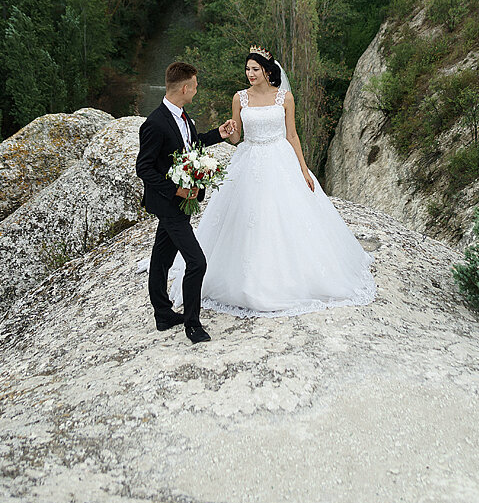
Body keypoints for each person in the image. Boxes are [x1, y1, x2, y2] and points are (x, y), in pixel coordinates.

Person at [169, 46, 376, 317]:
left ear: (267, 71)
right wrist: (230, 130)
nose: (250, 74)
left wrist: (303, 169)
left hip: (280, 159)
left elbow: (292, 135)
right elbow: (237, 138)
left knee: (285, 216)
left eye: (255, 69)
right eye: (247, 69)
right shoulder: (240, 97)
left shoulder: (284, 97)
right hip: (249, 157)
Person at [136, 61, 236, 344]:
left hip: (180, 204)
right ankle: (192, 325)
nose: (196, 90)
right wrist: (175, 190)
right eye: (195, 85)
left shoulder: (183, 116)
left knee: (162, 258)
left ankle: (163, 314)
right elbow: (143, 168)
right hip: (169, 204)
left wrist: (218, 134)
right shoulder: (154, 123)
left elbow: (191, 144)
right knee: (197, 262)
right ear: (184, 88)